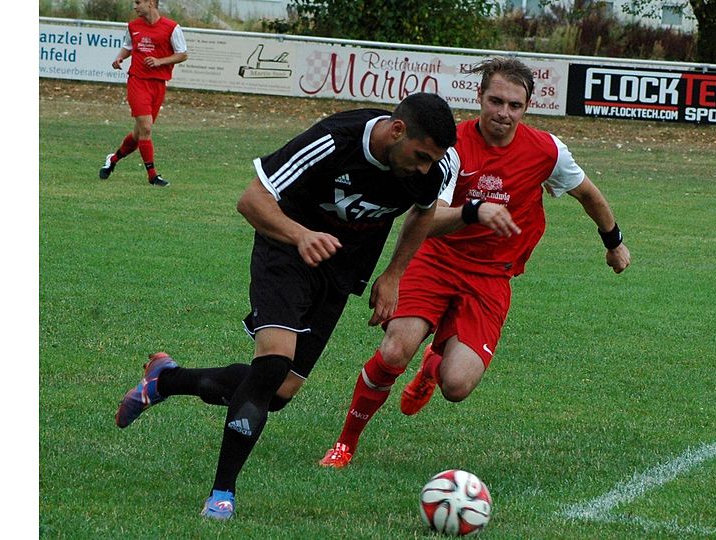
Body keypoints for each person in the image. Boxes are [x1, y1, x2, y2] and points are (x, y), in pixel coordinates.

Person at [114, 92, 458, 520]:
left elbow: (423, 214)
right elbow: (252, 200)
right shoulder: (334, 140)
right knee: (273, 363)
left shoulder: (431, 167)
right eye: (420, 156)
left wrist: (393, 275)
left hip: (339, 271)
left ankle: (165, 381)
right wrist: (299, 236)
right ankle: (222, 493)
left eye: (432, 161)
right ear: (397, 130)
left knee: (277, 393)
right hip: (285, 250)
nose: (425, 169)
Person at [317, 57, 632, 469]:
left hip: (491, 276)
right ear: (479, 97)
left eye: (514, 105)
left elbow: (589, 194)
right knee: (395, 350)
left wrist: (613, 242)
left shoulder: (547, 151)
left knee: (457, 385)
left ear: (527, 107)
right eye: (496, 101)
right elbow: (428, 220)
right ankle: (345, 444)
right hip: (436, 259)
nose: (504, 113)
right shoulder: (451, 146)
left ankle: (433, 364)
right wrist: (475, 210)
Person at [98, 0, 188, 187]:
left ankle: (113, 160)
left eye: (138, 2)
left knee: (139, 134)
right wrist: (120, 57)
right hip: (137, 81)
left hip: (158, 84)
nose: (134, 6)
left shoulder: (172, 28)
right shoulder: (133, 26)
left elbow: (182, 54)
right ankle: (152, 176)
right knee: (146, 128)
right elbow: (128, 46)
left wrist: (159, 61)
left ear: (150, 3)